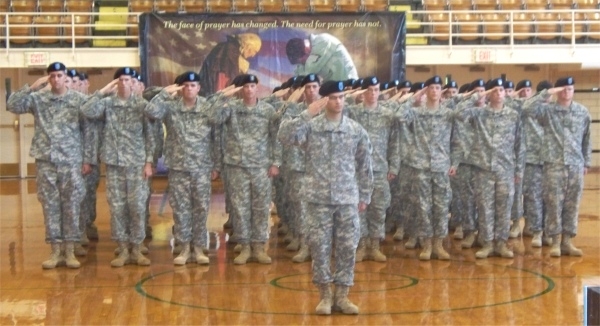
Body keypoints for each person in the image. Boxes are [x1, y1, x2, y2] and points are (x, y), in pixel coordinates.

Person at [278, 80, 373, 315]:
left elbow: (365, 164)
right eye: (333, 97)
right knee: (320, 248)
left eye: (341, 97)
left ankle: (342, 296)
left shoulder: (354, 130)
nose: (338, 102)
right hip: (318, 199)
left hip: (346, 198)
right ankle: (324, 296)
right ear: (324, 100)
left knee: (347, 248)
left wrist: (366, 193)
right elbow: (284, 136)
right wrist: (307, 113)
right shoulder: (312, 127)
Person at [7, 62, 90, 269]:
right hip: (46, 160)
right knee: (50, 205)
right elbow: (12, 105)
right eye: (51, 76)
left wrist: (87, 159)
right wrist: (33, 85)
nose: (55, 79)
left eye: (59, 75)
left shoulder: (79, 100)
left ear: (65, 77)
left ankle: (70, 251)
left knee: (71, 204)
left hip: (70, 160)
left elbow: (89, 129)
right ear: (48, 78)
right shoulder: (38, 99)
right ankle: (55, 251)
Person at [82, 67, 155, 267]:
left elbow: (150, 136)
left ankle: (138, 248)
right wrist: (104, 89)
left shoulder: (142, 105)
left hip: (136, 164)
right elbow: (87, 110)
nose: (124, 83)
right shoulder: (107, 104)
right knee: (117, 208)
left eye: (128, 80)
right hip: (114, 165)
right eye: (120, 80)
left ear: (133, 83)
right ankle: (123, 249)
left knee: (138, 208)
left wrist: (149, 162)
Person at [145, 72, 220, 265]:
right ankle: (184, 248)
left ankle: (199, 248)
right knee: (180, 209)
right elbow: (151, 112)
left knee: (201, 208)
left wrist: (216, 164)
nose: (189, 89)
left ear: (199, 88)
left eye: (193, 85)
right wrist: (164, 93)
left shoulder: (207, 107)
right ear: (180, 88)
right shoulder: (170, 108)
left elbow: (216, 136)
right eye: (185, 86)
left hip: (201, 167)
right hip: (178, 167)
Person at [209, 74, 281, 265]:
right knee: (240, 209)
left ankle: (258, 247)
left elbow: (276, 137)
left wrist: (276, 163)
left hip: (261, 167)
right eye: (245, 87)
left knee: (260, 208)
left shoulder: (267, 110)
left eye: (252, 86)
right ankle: (245, 246)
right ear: (240, 90)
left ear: (257, 88)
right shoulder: (231, 109)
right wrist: (224, 96)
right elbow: (212, 117)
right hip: (236, 166)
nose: (249, 90)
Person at [455, 78, 524, 259]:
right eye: (494, 90)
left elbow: (520, 144)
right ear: (488, 94)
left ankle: (501, 244)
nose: (499, 93)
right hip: (483, 169)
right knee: (485, 208)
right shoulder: (479, 114)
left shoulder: (513, 115)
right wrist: (478, 95)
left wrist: (518, 170)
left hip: (505, 170)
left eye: (501, 90)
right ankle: (487, 243)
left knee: (504, 208)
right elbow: (458, 114)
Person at [523, 77, 591, 257]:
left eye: (570, 88)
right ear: (558, 91)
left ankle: (567, 241)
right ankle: (554, 242)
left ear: (573, 90)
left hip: (575, 165)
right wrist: (547, 93)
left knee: (572, 205)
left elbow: (586, 139)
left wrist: (587, 162)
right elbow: (526, 109)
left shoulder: (582, 112)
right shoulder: (548, 111)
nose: (566, 92)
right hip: (553, 165)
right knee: (553, 204)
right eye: (563, 89)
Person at [395, 76, 455, 260]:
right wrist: (416, 96)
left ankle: (439, 244)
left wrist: (455, 163)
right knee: (423, 207)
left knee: (441, 207)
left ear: (441, 92)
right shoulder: (416, 113)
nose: (435, 91)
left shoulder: (448, 114)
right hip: (420, 166)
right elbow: (398, 115)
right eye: (431, 88)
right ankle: (427, 244)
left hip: (441, 167)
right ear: (426, 91)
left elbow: (457, 139)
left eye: (438, 88)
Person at [346, 76, 399, 262]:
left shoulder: (387, 114)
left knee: (378, 208)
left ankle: (375, 246)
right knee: (360, 209)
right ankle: (361, 245)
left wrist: (394, 166)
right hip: (357, 170)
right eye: (369, 90)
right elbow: (336, 107)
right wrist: (353, 94)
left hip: (379, 169)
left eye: (376, 90)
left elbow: (394, 142)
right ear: (363, 92)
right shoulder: (353, 113)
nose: (373, 94)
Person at [277, 73, 321, 263]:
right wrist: (291, 102)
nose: (311, 91)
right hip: (300, 167)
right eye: (307, 87)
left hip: (324, 169)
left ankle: (321, 249)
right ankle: (304, 245)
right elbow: (282, 126)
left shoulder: (331, 110)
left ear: (320, 88)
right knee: (302, 209)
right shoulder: (296, 111)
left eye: (314, 87)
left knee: (322, 211)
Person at [286, 33, 359, 82]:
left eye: (302, 62)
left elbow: (309, 72)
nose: (303, 64)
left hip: (350, 86)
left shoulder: (323, 41)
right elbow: (298, 77)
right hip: (336, 92)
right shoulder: (306, 55)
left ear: (306, 49)